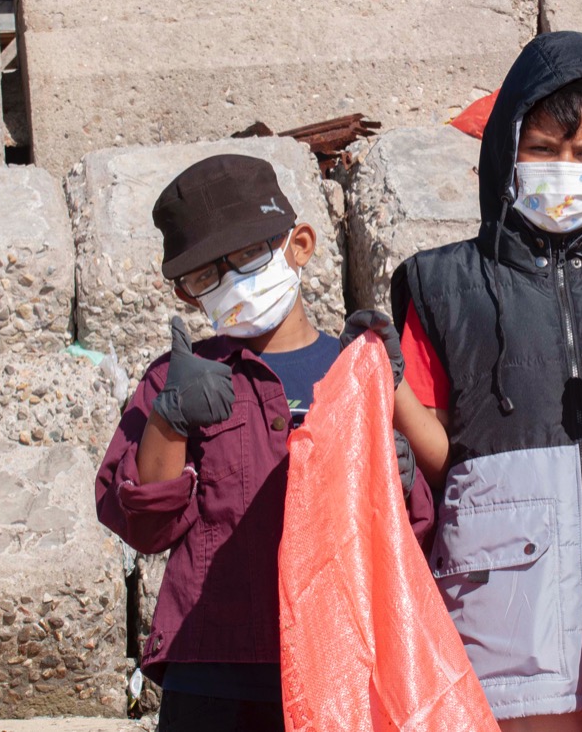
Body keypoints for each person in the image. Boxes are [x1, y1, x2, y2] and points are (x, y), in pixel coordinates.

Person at [344, 31, 582, 731]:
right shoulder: (444, 282)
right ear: (506, 150)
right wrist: (389, 385)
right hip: (506, 600)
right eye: (542, 149)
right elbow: (444, 453)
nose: (562, 168)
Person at [95, 154, 433, 732]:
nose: (231, 283)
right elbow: (144, 527)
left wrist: (401, 483)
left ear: (299, 244)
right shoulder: (174, 378)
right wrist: (170, 419)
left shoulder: (353, 372)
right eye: (206, 275)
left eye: (249, 256)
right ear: (187, 295)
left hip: (342, 654)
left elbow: (412, 533)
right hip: (214, 668)